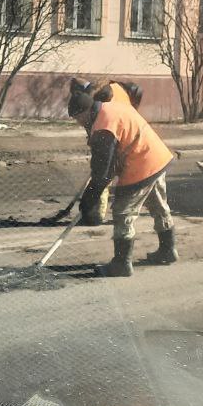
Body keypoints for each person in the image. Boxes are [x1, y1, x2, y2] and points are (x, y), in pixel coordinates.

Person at [68, 82, 177, 276]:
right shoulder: (110, 106)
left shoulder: (103, 127)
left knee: (122, 213)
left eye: (77, 119)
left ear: (84, 112)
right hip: (157, 156)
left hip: (141, 165)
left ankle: (121, 264)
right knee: (159, 206)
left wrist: (89, 199)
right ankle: (168, 250)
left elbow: (103, 173)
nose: (78, 123)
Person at [67, 78, 143, 224]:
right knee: (105, 172)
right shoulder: (107, 89)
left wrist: (98, 152)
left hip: (120, 136)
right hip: (123, 132)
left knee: (103, 175)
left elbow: (100, 124)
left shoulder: (100, 97)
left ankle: (97, 215)